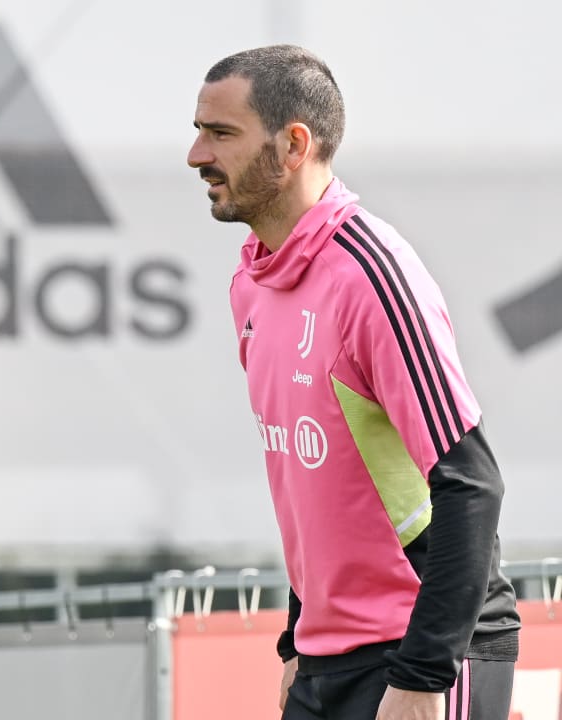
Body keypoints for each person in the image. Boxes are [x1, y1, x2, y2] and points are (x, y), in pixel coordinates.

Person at [186, 45, 520, 719]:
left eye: (220, 133)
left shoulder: (370, 277)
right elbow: (324, 489)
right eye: (198, 131)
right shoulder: (254, 284)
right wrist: (297, 646)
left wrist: (425, 674)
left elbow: (472, 484)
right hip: (326, 662)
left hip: (422, 652)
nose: (196, 155)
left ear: (293, 145)